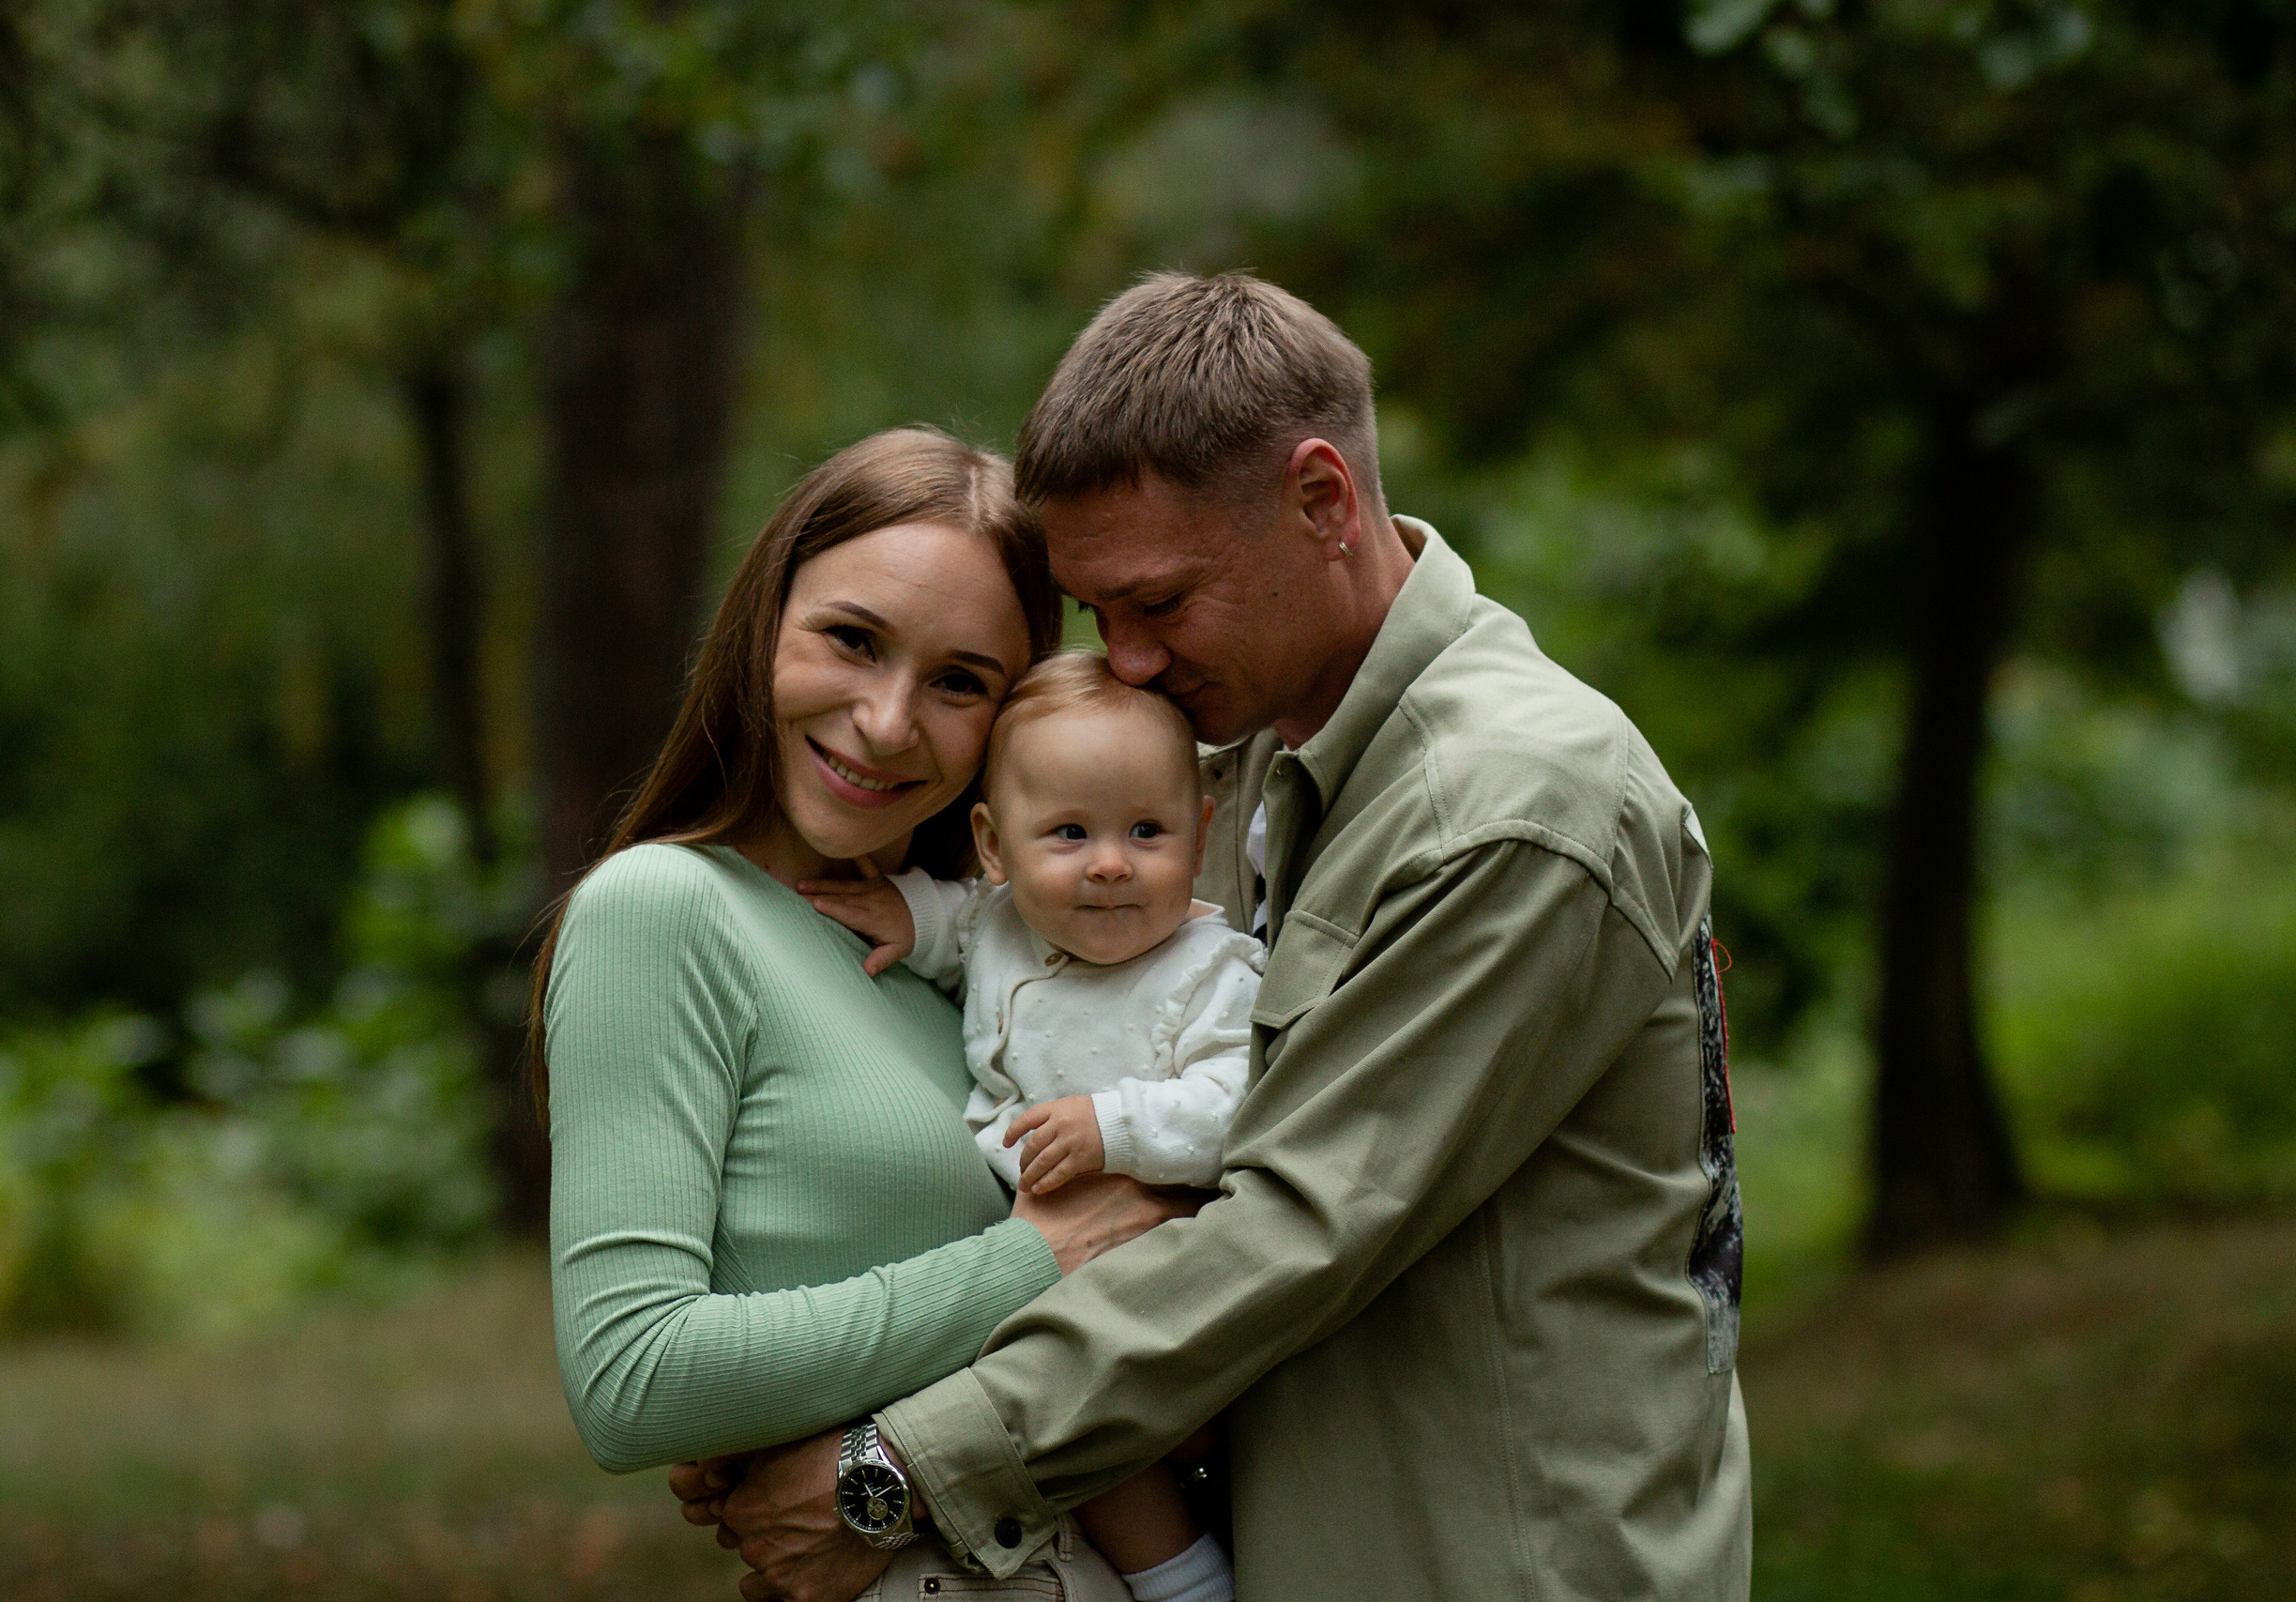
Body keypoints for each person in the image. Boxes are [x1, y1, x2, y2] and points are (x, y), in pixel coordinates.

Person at [679, 274, 1752, 1601]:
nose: (1127, 662)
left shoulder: (1511, 808)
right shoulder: (1234, 758)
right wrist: (797, 1390)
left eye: (1162, 602)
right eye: (1098, 616)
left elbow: (1296, 1228)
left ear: (1322, 501)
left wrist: (891, 1466)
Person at [536, 427, 1194, 1602]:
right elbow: (634, 1378)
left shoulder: (994, 953)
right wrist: (1035, 1260)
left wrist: (867, 1471)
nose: (888, 723)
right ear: (763, 623)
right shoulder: (665, 910)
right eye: (852, 640)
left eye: (959, 682)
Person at [802, 649, 1265, 1599]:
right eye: (1068, 832)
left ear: (1201, 832)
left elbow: (1239, 1102)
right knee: (1057, 1427)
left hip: (1153, 1261)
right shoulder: (1006, 922)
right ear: (994, 845)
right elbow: (956, 924)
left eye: (1148, 830)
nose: (1110, 862)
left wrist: (1114, 1125)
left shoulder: (1208, 970)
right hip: (1023, 1257)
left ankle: (1185, 1581)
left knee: (1090, 1417)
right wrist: (903, 915)